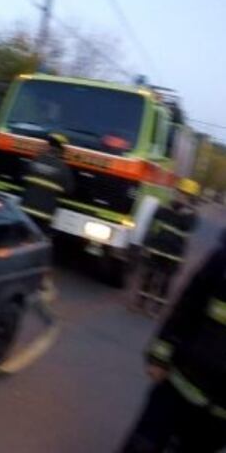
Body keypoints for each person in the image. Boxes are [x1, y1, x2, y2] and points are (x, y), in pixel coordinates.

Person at [121, 239, 226, 452]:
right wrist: (160, 356)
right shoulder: (222, 261)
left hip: (220, 413)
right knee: (142, 446)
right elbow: (187, 307)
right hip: (179, 384)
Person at [136, 178, 201, 315]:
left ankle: (157, 308)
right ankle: (141, 302)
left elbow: (187, 228)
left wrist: (182, 212)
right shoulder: (164, 208)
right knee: (149, 275)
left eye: (186, 196)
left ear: (192, 199)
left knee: (166, 282)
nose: (182, 197)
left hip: (174, 253)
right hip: (156, 247)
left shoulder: (191, 217)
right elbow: (152, 225)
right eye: (180, 193)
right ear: (176, 193)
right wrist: (146, 244)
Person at [20, 132, 74, 230]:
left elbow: (23, 177)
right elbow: (69, 190)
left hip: (25, 209)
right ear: (61, 150)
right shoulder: (63, 168)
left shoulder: (36, 160)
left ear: (48, 146)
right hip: (45, 215)